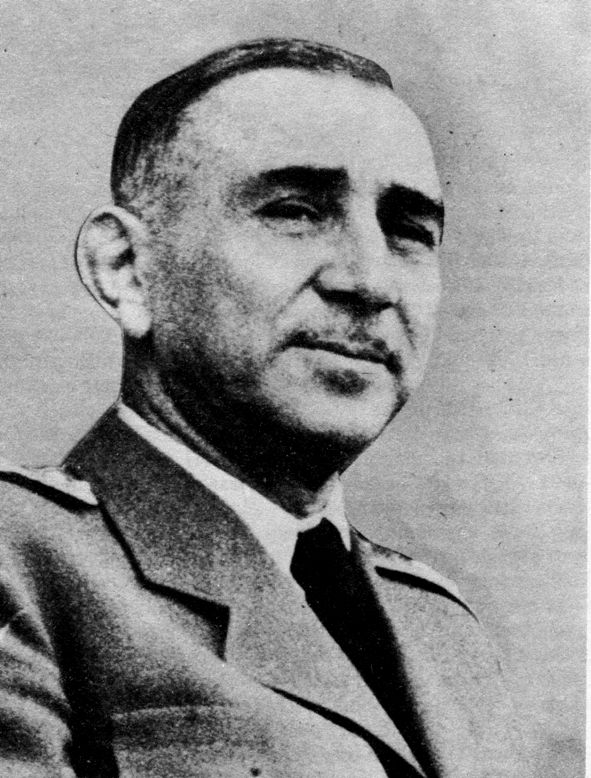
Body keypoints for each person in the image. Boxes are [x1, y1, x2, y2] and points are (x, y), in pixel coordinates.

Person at [0, 38, 524, 777]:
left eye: (407, 231)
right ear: (127, 270)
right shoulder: (21, 563)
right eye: (293, 211)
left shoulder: (441, 629)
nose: (370, 281)